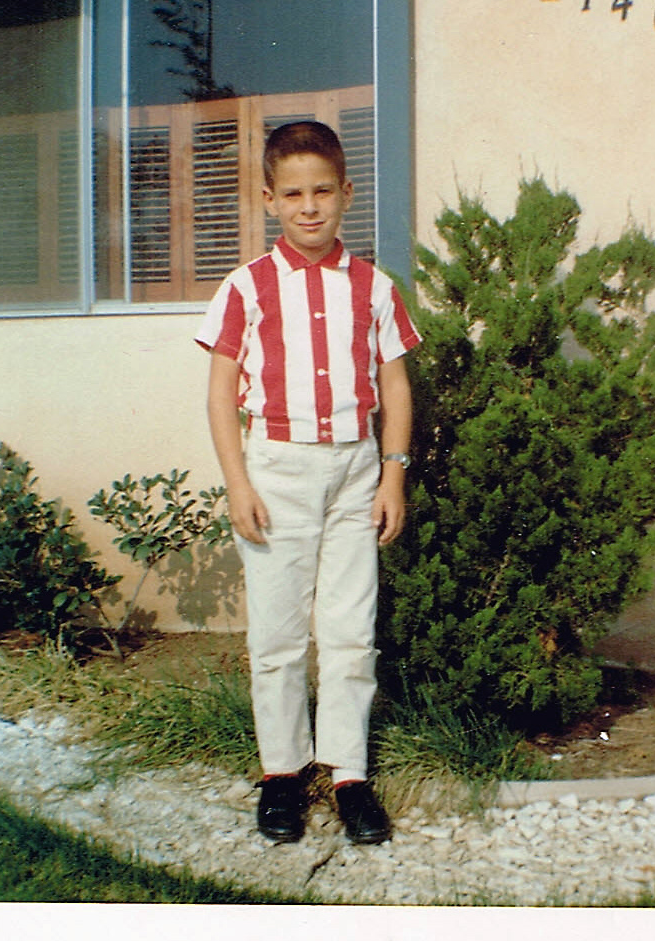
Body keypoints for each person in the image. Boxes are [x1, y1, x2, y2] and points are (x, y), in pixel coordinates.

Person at [195, 121, 420, 845]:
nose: (309, 206)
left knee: (352, 631)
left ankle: (349, 774)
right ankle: (283, 776)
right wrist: (237, 482)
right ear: (269, 199)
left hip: (356, 472)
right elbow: (221, 391)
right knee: (279, 634)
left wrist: (394, 474)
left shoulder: (374, 287)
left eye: (323, 190)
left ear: (346, 192)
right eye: (293, 193)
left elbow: (394, 380)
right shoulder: (247, 287)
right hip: (278, 472)